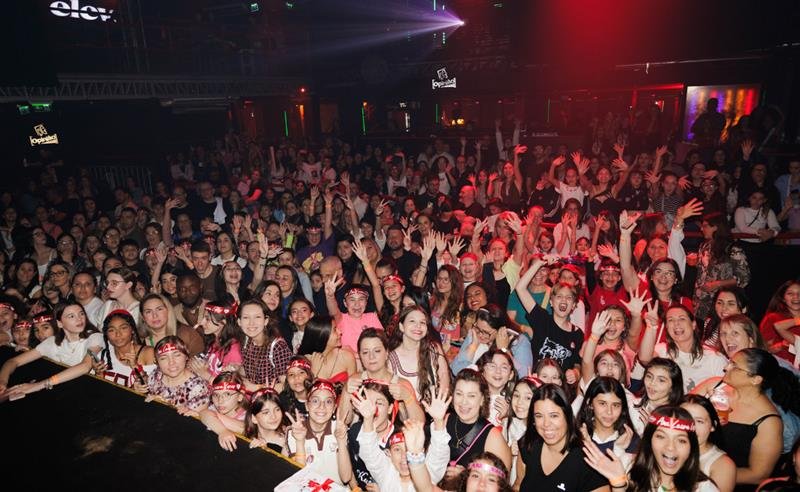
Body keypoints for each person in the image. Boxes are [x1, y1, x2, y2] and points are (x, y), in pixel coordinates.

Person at [584, 405, 720, 492]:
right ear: (649, 441)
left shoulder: (704, 488)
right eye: (661, 437)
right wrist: (618, 484)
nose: (670, 447)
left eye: (681, 440)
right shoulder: (628, 469)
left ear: (691, 447)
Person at [515, 383, 609, 491]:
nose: (546, 424)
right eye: (539, 416)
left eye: (554, 416)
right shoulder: (528, 445)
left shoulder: (588, 460)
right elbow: (518, 486)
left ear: (567, 416)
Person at [0, 301, 103, 398]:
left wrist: (39, 385)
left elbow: (85, 366)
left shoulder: (95, 337)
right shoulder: (52, 342)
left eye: (81, 314)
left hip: (88, 392)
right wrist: (2, 381)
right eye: (71, 316)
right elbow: (13, 361)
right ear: (59, 323)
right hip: (65, 393)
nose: (79, 319)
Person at [515, 256, 584, 383]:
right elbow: (520, 288)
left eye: (569, 298)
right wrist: (539, 264)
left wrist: (575, 373)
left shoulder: (578, 334)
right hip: (538, 384)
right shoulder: (542, 319)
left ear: (574, 305)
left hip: (559, 389)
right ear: (551, 302)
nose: (564, 300)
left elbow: (578, 364)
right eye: (559, 296)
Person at [442, 369, 511, 490]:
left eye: (471, 396)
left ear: (483, 399)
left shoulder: (493, 437)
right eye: (459, 394)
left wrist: (466, 477)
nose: (464, 401)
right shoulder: (444, 420)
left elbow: (502, 485)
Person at [638, 304, 728, 393]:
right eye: (670, 320)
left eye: (682, 319)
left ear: (693, 324)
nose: (676, 323)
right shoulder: (662, 350)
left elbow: (725, 393)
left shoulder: (715, 358)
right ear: (667, 327)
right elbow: (644, 359)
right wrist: (651, 326)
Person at [450, 303, 533, 378]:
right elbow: (456, 370)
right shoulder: (474, 334)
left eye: (486, 332)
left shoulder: (519, 342)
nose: (480, 335)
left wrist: (504, 351)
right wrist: (473, 346)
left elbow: (524, 375)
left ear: (500, 329)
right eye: (478, 329)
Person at [387, 306, 450, 402]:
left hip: (435, 408)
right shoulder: (391, 359)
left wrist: (439, 404)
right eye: (412, 321)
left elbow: (443, 377)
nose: (418, 326)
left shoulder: (434, 349)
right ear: (401, 326)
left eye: (422, 322)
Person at [575, 377, 639, 470]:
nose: (609, 412)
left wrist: (619, 451)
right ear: (590, 403)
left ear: (622, 407)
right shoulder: (576, 436)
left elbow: (626, 478)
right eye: (602, 403)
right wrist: (585, 446)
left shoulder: (631, 442)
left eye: (615, 405)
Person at [286, 379, 343, 484]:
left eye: (328, 401)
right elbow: (298, 477)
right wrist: (299, 441)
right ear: (307, 406)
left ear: (334, 408)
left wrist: (342, 440)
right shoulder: (294, 431)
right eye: (315, 401)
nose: (322, 406)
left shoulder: (339, 429)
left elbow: (346, 478)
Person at [681, 395, 737, 492]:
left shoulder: (722, 466)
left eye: (699, 421)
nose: (691, 426)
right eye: (684, 419)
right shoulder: (663, 448)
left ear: (713, 426)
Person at [142, 335, 211, 411]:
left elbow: (193, 417)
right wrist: (139, 389)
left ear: (186, 356)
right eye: (163, 358)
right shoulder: (156, 375)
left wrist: (164, 404)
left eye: (177, 355)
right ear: (157, 362)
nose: (171, 362)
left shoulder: (198, 388)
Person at [237, 298, 292, 389]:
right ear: (239, 322)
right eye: (246, 317)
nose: (251, 323)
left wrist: (257, 388)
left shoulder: (277, 347)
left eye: (257, 317)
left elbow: (288, 385)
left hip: (272, 396)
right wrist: (235, 370)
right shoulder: (246, 341)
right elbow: (248, 370)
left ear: (266, 321)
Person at [96, 309, 156, 388]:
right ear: (106, 334)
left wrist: (135, 366)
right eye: (111, 330)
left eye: (123, 328)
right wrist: (98, 376)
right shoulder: (103, 355)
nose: (118, 334)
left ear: (132, 330)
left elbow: (156, 388)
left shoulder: (149, 353)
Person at [197, 371, 249, 452]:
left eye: (227, 394)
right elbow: (204, 413)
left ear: (240, 397)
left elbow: (244, 428)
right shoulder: (213, 408)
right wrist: (222, 431)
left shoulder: (248, 417)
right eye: (216, 395)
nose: (220, 401)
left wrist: (221, 430)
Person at [297, 315, 356, 383]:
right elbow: (302, 389)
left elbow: (354, 387)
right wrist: (314, 372)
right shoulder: (304, 362)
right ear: (322, 335)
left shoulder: (346, 357)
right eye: (334, 329)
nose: (340, 332)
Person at [244, 388, 289, 454]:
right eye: (266, 412)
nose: (273, 416)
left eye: (277, 410)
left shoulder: (288, 440)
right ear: (254, 418)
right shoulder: (245, 440)